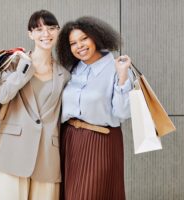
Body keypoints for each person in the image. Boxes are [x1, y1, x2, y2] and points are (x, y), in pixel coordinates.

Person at [0, 10, 70, 200]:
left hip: (47, 155)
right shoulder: (15, 61)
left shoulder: (64, 74)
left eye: (51, 28)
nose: (46, 34)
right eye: (39, 29)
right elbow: (3, 96)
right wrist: (24, 69)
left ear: (58, 32)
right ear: (30, 34)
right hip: (13, 151)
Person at [56, 16, 133, 200]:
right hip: (69, 140)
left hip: (101, 141)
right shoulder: (72, 69)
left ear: (96, 37)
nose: (79, 46)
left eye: (84, 39)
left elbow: (123, 113)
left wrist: (123, 76)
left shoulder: (118, 68)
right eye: (73, 43)